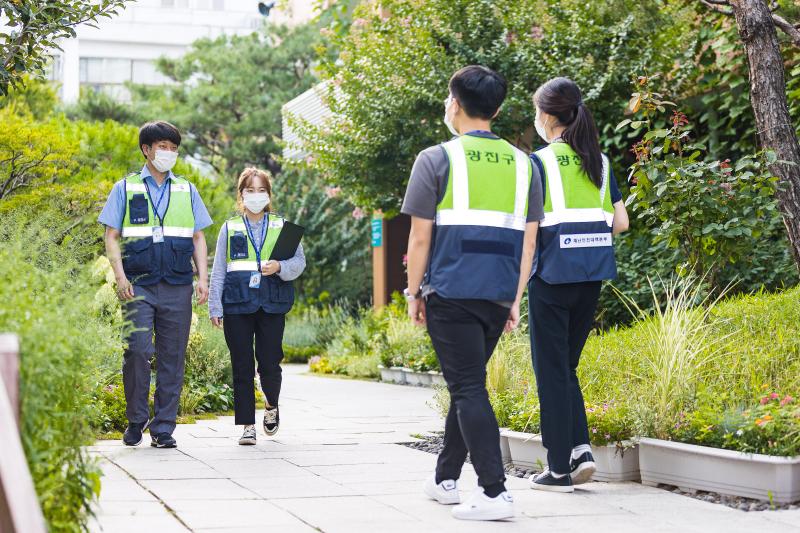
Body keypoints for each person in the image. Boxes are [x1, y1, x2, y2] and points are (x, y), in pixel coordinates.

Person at [402, 65, 542, 521]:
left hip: (452, 290)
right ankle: (445, 478)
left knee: (466, 386)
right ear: (497, 109)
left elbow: (420, 239)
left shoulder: (435, 158)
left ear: (454, 104)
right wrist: (515, 299)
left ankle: (494, 491)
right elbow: (528, 242)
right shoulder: (526, 164)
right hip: (498, 293)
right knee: (468, 385)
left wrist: (413, 291)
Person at [526, 77, 629, 492]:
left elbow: (529, 231)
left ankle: (557, 467)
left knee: (550, 372)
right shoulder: (600, 162)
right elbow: (620, 222)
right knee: (566, 367)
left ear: (548, 116)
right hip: (591, 278)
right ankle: (580, 450)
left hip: (551, 278)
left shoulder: (539, 163)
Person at [99, 120, 213, 449]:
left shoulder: (186, 190)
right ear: (146, 150)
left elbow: (198, 237)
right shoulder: (125, 187)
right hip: (138, 284)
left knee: (172, 356)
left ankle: (163, 428)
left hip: (177, 284)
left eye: (174, 148)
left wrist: (202, 277)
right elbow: (111, 235)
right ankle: (136, 420)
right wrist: (119, 276)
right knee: (136, 351)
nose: (169, 153)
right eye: (163, 147)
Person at [208, 167, 305, 445]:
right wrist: (215, 306)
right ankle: (247, 426)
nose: (256, 195)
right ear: (241, 195)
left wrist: (280, 266)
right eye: (250, 190)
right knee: (241, 365)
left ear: (269, 195)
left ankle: (271, 405)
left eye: (261, 190)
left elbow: (299, 263)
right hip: (237, 304)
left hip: (272, 304)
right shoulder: (231, 227)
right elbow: (219, 270)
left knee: (270, 363)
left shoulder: (283, 227)